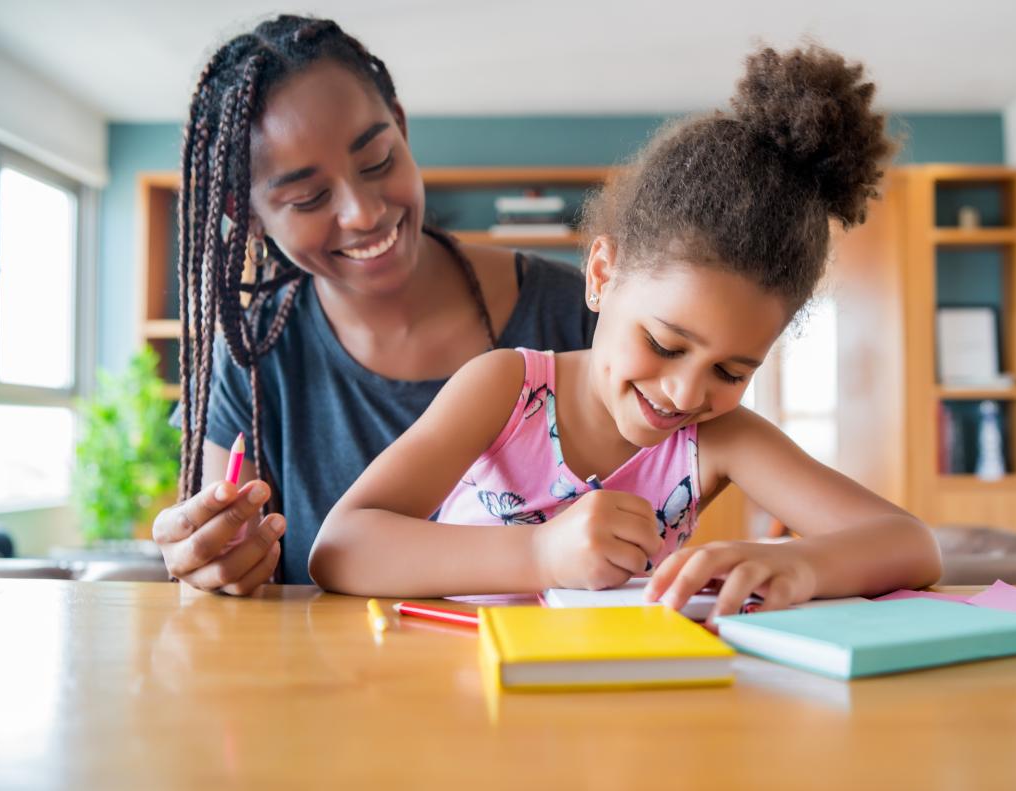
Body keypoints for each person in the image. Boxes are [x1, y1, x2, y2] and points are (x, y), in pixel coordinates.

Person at [310, 45, 942, 618]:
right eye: (666, 345)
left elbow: (912, 546)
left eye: (733, 371)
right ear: (603, 275)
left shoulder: (714, 437)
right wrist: (539, 554)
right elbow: (342, 548)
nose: (685, 394)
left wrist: (803, 565)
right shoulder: (506, 387)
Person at [150, 15, 595, 594]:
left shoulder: (574, 312)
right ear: (249, 214)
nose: (362, 212)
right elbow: (218, 581)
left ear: (402, 129)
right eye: (309, 197)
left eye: (378, 161)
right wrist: (211, 566)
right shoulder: (252, 358)